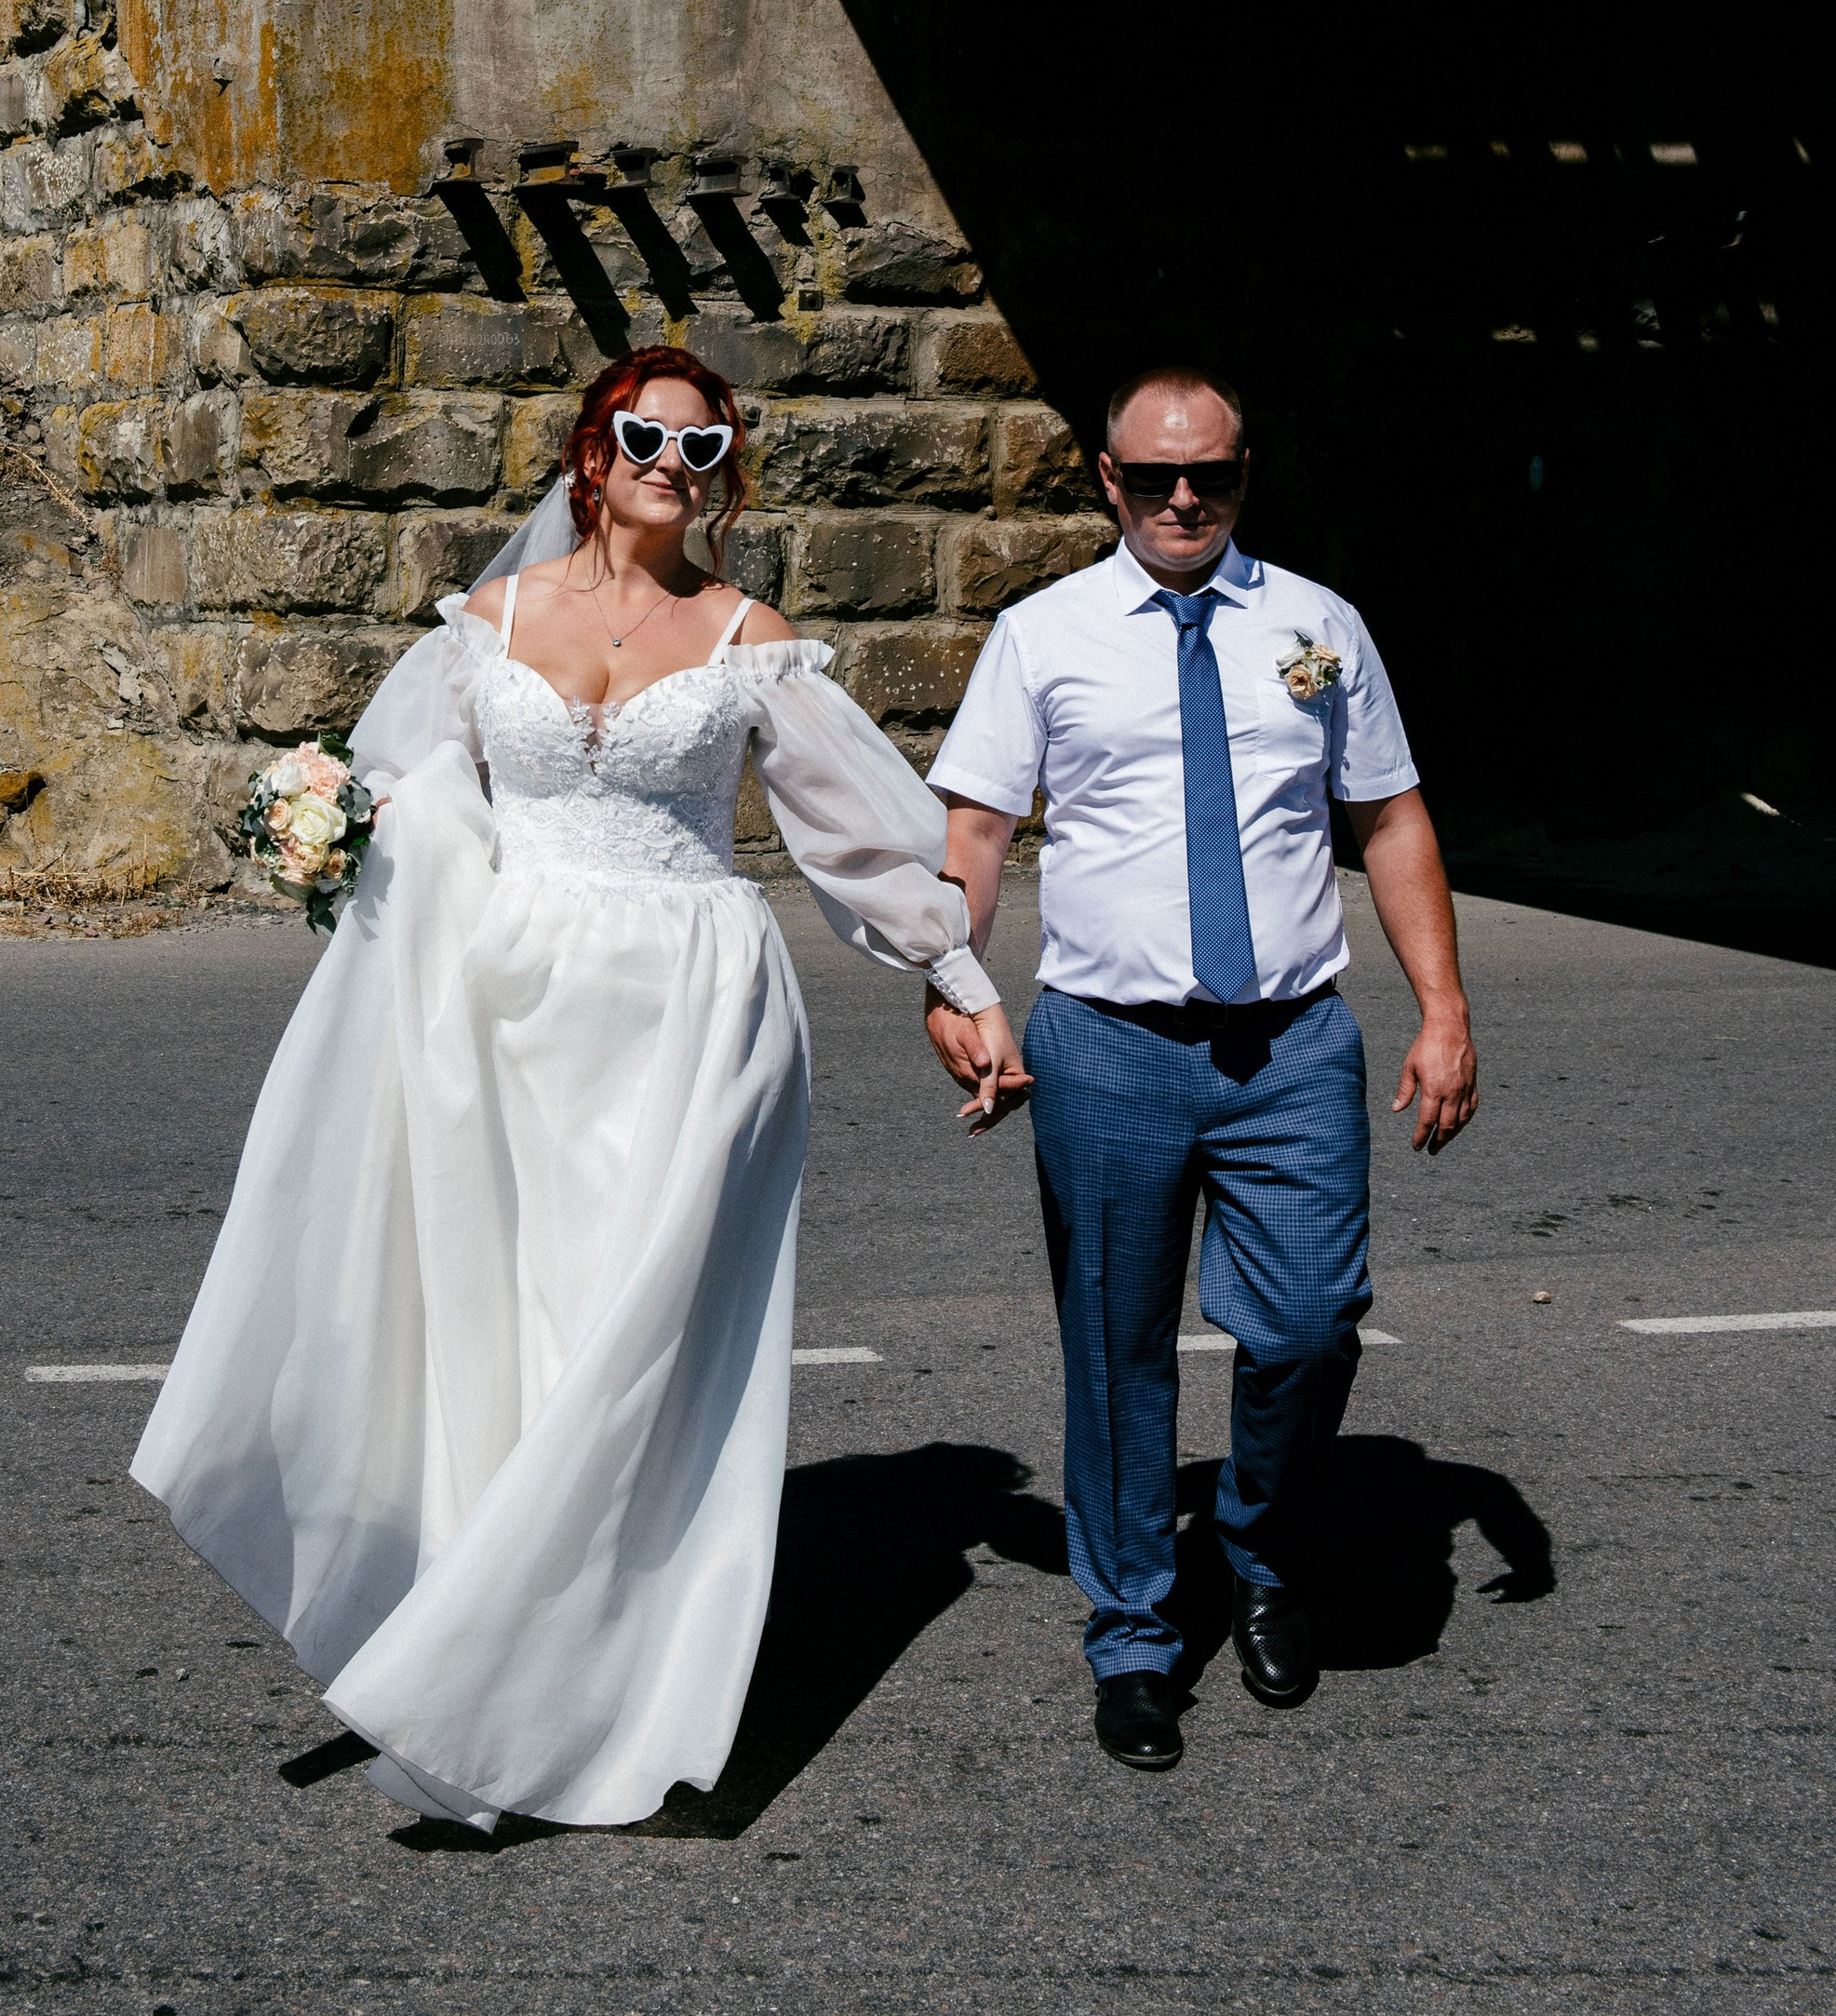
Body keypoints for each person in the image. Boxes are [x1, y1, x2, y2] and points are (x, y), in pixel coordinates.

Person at [133, 346, 1027, 1832]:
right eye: (645, 437)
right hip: (509, 1007)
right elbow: (402, 792)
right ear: (592, 457)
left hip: (696, 1012)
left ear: (724, 476)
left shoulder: (751, 639)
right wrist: (336, 828)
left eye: (704, 446)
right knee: (519, 1335)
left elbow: (863, 840)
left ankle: (591, 1685)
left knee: (636, 1341)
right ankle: (490, 1663)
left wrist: (959, 978)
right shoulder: (483, 627)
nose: (673, 464)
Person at [924, 366, 1478, 1772]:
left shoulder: (1317, 625)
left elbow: (1389, 817)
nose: (1186, 498)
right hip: (1107, 1043)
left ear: (1244, 476)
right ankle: (1133, 1633)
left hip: (1291, 1042)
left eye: (1213, 475)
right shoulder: (1042, 635)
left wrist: (1443, 1009)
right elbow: (976, 827)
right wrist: (956, 986)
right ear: (1108, 478)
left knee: (1309, 1321)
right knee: (1117, 1349)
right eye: (1158, 475)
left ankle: (1262, 1555)